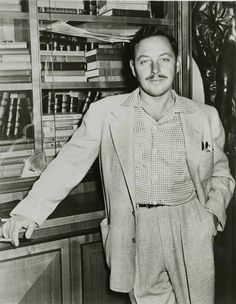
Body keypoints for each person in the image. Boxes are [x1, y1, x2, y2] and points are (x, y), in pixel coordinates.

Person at [1, 25, 235, 304]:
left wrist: (210, 216)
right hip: (136, 231)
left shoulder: (205, 116)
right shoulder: (106, 113)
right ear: (133, 68)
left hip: (189, 225)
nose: (155, 69)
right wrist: (29, 213)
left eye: (164, 59)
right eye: (145, 61)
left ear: (177, 63)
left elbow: (221, 174)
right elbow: (69, 161)